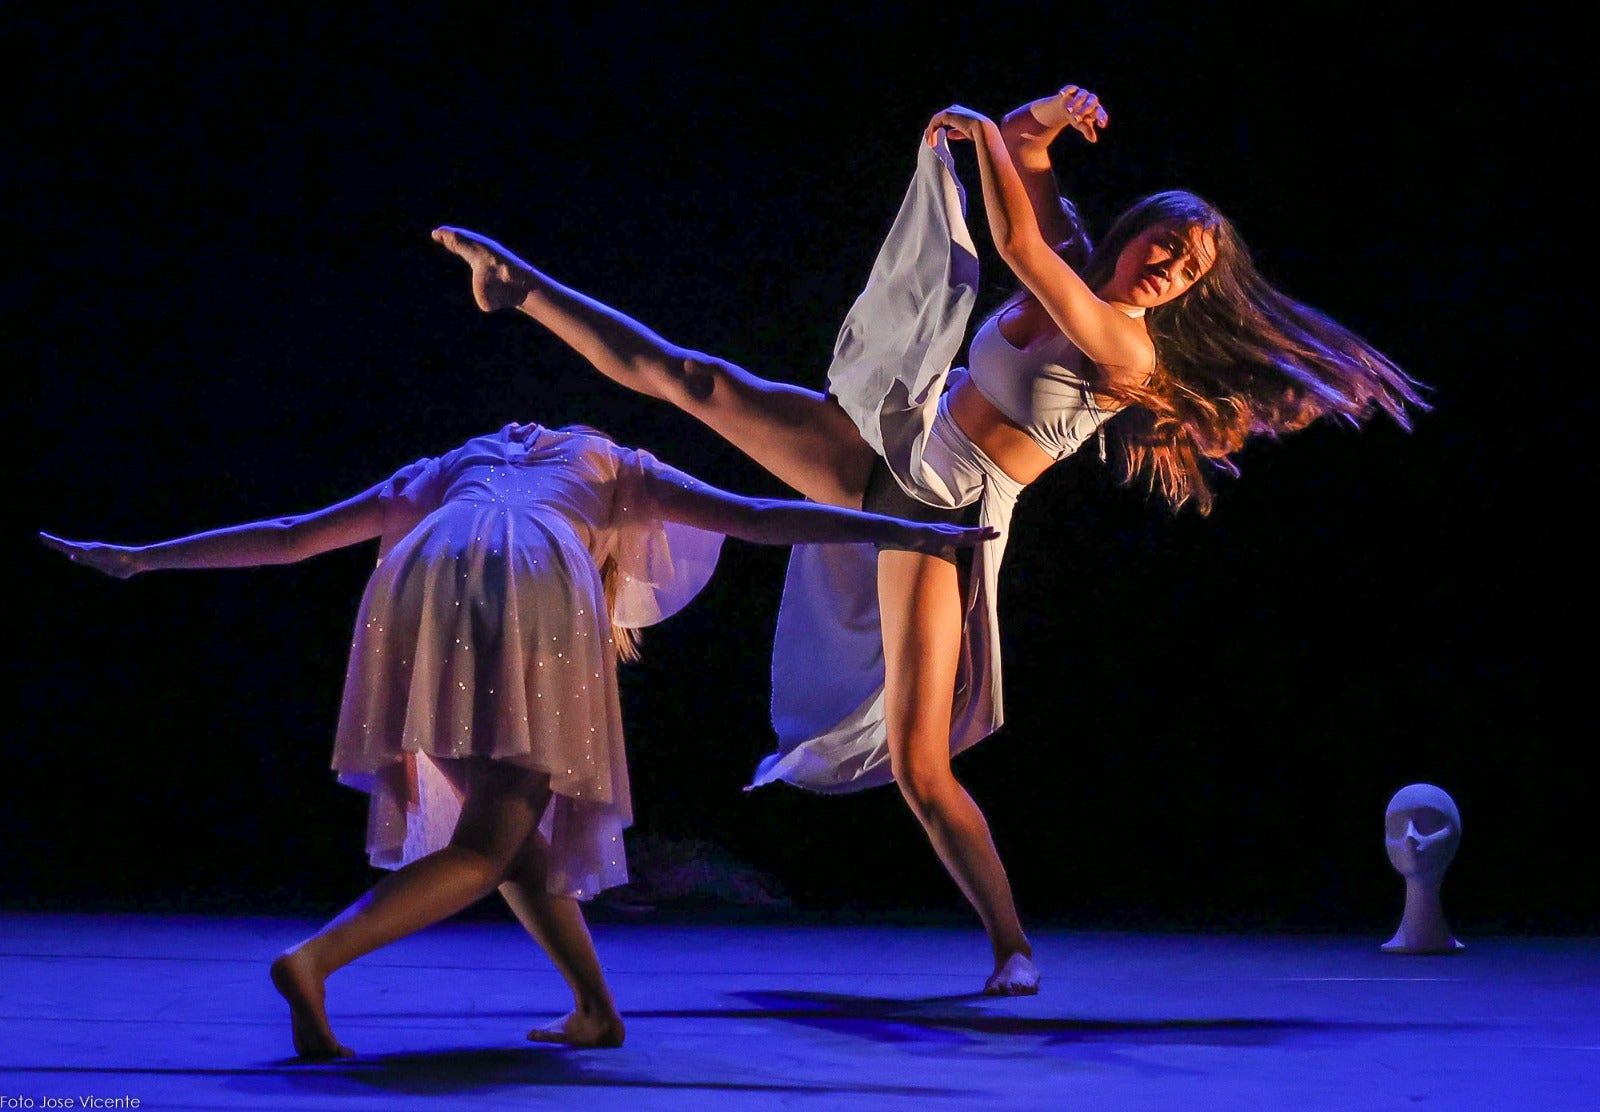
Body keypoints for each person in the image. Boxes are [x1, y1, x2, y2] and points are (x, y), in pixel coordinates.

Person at [427, 83, 1426, 997]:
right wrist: (1051, 113)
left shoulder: (1125, 342)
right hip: (892, 443)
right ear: (1135, 234)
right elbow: (1029, 156)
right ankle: (520, 286)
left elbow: (1016, 243)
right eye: (1166, 243)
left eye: (1191, 267)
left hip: (939, 517)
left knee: (919, 764)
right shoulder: (1079, 257)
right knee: (696, 380)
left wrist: (981, 134)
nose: (1169, 267)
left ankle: (1010, 943)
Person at [40, 419, 995, 1059]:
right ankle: (316, 961)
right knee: (490, 841)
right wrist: (904, 533)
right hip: (532, 581)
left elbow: (294, 535)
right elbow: (752, 517)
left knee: (510, 836)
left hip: (424, 582)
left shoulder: (448, 469)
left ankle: (595, 1010)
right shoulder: (612, 464)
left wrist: (143, 558)